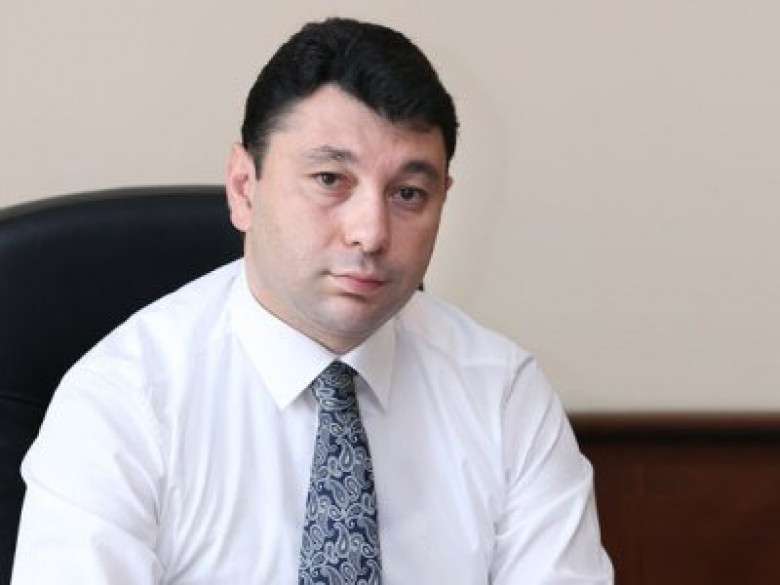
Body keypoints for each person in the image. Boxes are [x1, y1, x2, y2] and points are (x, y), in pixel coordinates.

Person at [11, 17, 613, 584]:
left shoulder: (503, 395)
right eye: (330, 180)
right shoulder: (124, 403)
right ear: (244, 188)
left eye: (408, 193)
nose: (371, 233)